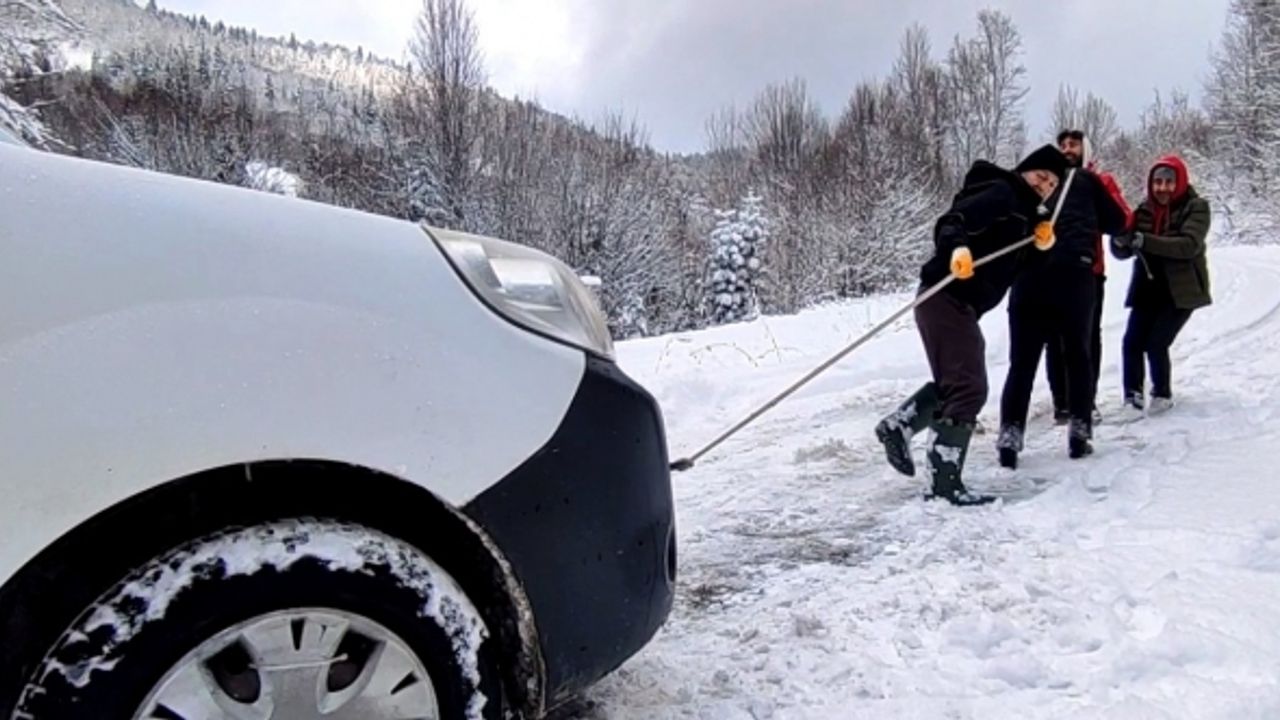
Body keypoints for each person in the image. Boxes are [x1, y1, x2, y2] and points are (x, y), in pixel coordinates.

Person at [875, 144, 1066, 506]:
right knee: (970, 386)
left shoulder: (1026, 217)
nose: (1045, 186)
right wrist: (956, 250)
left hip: (955, 305)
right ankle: (944, 484)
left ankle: (900, 426)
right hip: (944, 295)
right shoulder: (1004, 193)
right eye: (1042, 176)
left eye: (1053, 184)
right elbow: (953, 221)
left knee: (958, 383)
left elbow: (1013, 271)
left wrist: (1041, 248)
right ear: (1026, 170)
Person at [994, 130, 1130, 468]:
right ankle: (1079, 430)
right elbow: (1117, 222)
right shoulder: (1088, 180)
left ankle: (1010, 433)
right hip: (1076, 275)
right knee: (1078, 355)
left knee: (1022, 362)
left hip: (1028, 278)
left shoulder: (1021, 187)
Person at [1043, 131, 1133, 428]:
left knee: (1086, 337)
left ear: (1085, 148)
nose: (1068, 150)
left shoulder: (1099, 181)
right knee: (1054, 339)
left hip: (1089, 271)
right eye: (1064, 145)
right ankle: (1062, 402)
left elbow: (1122, 217)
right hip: (1051, 270)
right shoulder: (1048, 183)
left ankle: (1086, 399)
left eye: (1074, 145)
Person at [1110, 155, 1210, 416]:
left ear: (1179, 182)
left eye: (1168, 182)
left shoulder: (1196, 207)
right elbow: (1124, 251)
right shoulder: (1144, 210)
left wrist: (1145, 241)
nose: (1162, 188)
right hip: (1147, 287)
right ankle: (1132, 397)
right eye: (1157, 182)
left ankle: (1162, 393)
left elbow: (1188, 245)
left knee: (1157, 342)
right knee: (1131, 342)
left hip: (1181, 290)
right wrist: (1120, 240)